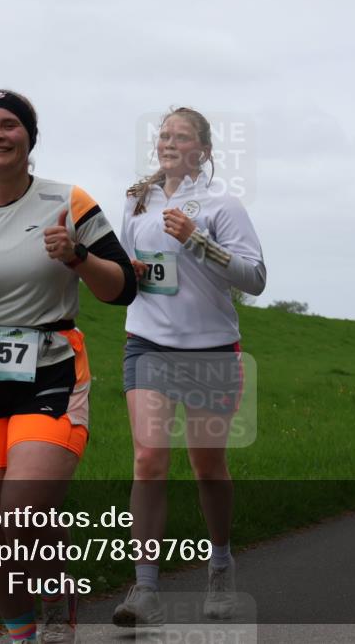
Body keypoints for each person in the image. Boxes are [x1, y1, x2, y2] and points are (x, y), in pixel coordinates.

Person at [0, 89, 137, 644]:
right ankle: (24, 635)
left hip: (52, 370)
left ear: (29, 138)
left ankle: (59, 614)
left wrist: (78, 258)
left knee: (20, 518)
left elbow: (124, 288)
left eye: (9, 125)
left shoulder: (68, 201)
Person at [113, 107, 266, 626]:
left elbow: (256, 277)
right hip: (149, 342)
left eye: (182, 136)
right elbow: (129, 269)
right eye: (163, 135)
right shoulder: (137, 199)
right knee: (149, 459)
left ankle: (220, 564)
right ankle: (145, 588)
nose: (170, 143)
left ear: (203, 149)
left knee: (208, 468)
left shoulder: (223, 203)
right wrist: (128, 272)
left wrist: (197, 241)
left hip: (209, 349)